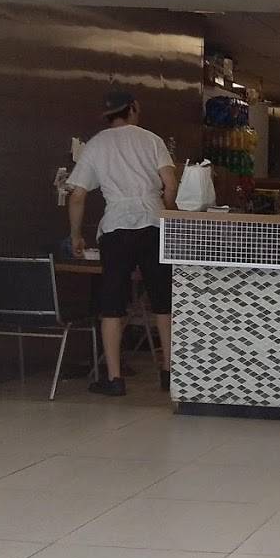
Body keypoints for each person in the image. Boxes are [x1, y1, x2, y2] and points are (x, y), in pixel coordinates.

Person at [67, 89, 178, 396]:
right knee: (163, 301)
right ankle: (169, 373)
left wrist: (76, 235)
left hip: (116, 227)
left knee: (112, 303)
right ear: (133, 108)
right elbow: (170, 184)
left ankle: (114, 379)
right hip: (154, 223)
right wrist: (168, 212)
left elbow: (77, 195)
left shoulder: (97, 144)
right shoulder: (151, 140)